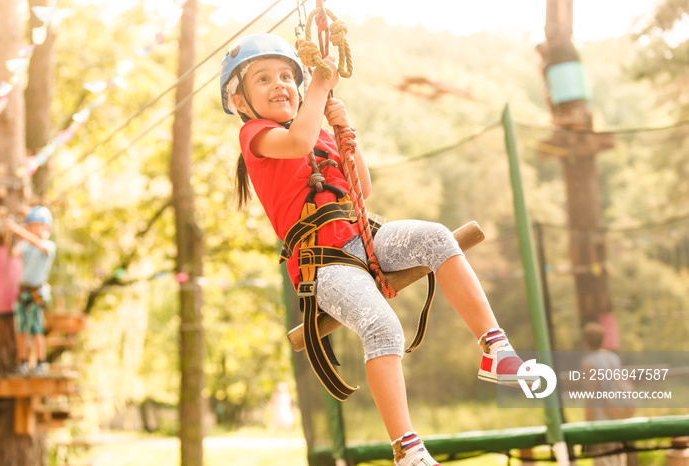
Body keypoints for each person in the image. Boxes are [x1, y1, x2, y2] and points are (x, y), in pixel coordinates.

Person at [220, 33, 530, 466]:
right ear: (239, 102)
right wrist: (319, 87)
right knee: (382, 327)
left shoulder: (319, 133)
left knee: (435, 237)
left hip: (362, 235)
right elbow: (297, 144)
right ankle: (407, 449)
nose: (281, 85)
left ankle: (495, 348)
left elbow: (361, 187)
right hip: (320, 263)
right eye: (264, 79)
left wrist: (344, 130)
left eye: (288, 76)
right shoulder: (256, 135)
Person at [4, 206, 56, 376]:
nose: (35, 229)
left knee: (36, 328)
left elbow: (37, 243)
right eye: (32, 225)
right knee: (21, 329)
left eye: (38, 225)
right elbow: (13, 252)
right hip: (23, 291)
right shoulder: (25, 245)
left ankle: (41, 362)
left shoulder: (47, 246)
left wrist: (17, 229)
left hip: (37, 292)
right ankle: (22, 361)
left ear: (47, 227)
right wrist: (8, 233)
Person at [581, 321, 631, 466]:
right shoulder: (613, 358)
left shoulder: (589, 362)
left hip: (601, 417)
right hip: (617, 414)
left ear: (586, 341)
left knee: (603, 460)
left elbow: (591, 396)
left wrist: (587, 422)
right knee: (618, 457)